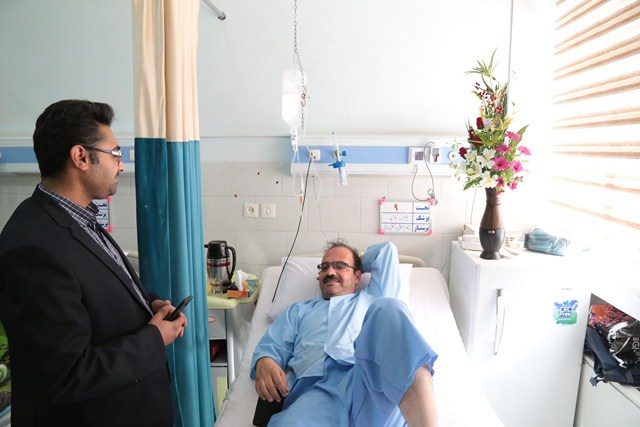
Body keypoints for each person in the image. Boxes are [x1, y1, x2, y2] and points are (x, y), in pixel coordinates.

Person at [0, 100, 186, 426]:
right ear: (81, 157)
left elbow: (95, 290)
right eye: (115, 154)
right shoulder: (33, 247)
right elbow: (67, 374)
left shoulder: (78, 218)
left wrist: (147, 304)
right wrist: (154, 338)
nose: (121, 166)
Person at [251, 240, 438, 426]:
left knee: (390, 307)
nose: (330, 272)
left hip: (370, 385)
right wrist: (265, 360)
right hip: (316, 395)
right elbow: (273, 343)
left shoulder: (373, 297)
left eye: (340, 266)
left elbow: (386, 251)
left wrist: (358, 261)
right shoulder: (299, 310)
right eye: (324, 267)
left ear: (357, 276)